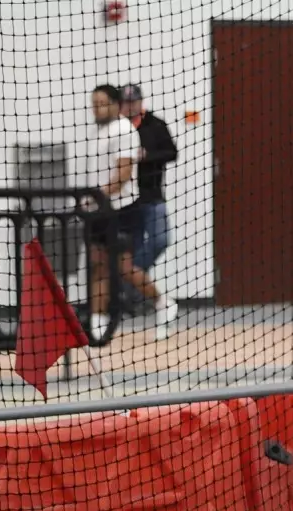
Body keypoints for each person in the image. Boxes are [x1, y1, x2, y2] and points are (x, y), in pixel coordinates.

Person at [82, 84, 174, 340]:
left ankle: (163, 302)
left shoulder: (124, 131)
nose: (97, 109)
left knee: (124, 267)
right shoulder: (96, 132)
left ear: (115, 104)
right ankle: (97, 323)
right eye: (94, 104)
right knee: (98, 265)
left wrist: (98, 196)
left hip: (121, 210)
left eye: (102, 103)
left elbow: (122, 175)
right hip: (99, 210)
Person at [120, 83, 179, 339]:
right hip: (126, 202)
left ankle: (131, 285)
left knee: (160, 240)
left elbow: (171, 152)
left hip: (152, 197)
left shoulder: (155, 125)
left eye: (134, 101)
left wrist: (147, 156)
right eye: (126, 101)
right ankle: (132, 289)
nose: (130, 105)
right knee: (126, 251)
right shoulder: (118, 129)